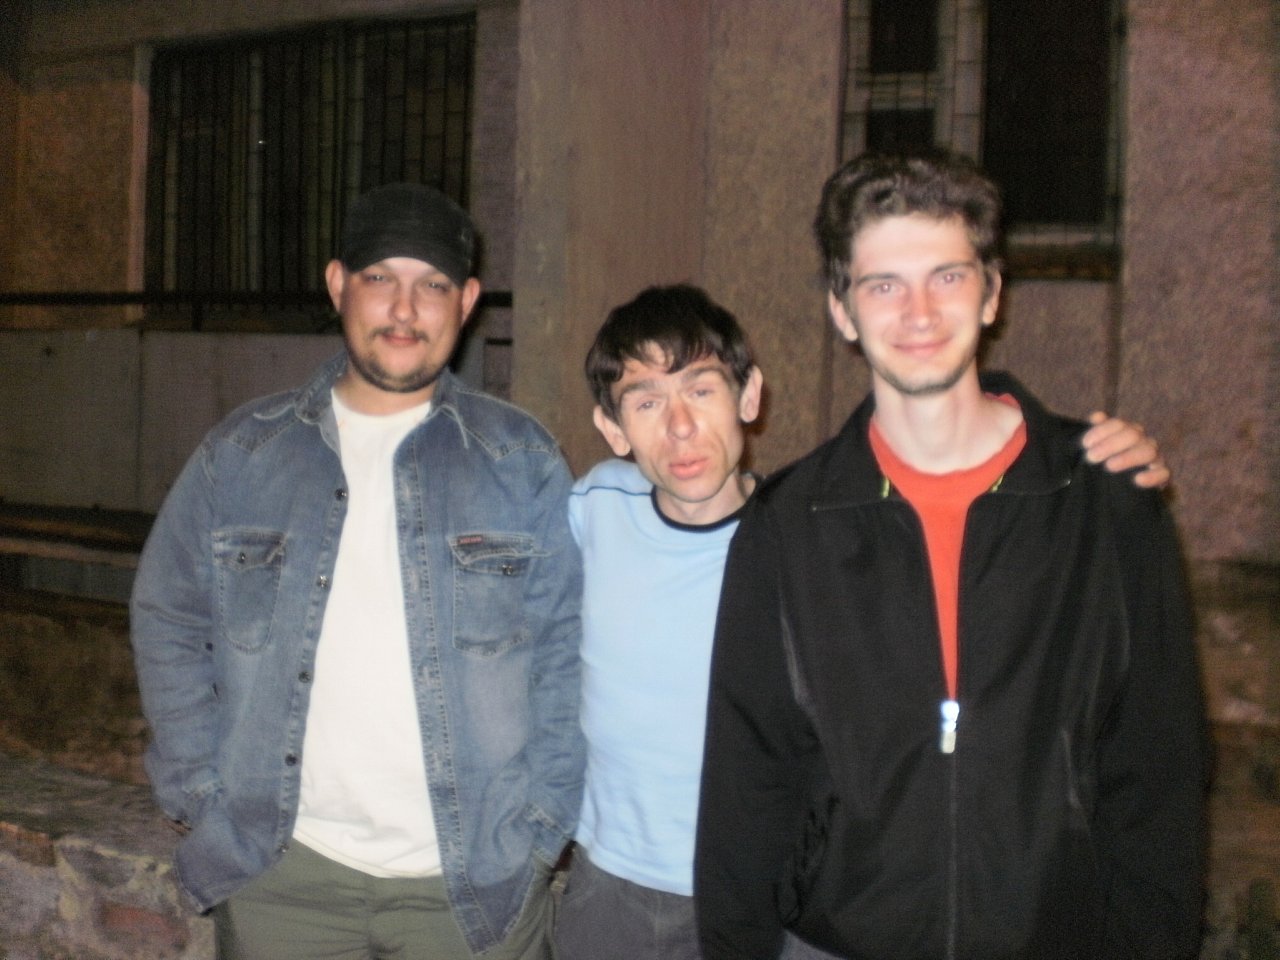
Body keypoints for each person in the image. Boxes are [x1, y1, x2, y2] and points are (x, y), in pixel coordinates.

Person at [553, 279, 1173, 960]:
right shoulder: (593, 507)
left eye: (701, 390)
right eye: (646, 401)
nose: (679, 426)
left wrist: (1103, 454)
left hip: (775, 894)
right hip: (611, 891)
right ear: (612, 429)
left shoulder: (808, 539)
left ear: (749, 396)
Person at [694, 150, 1208, 960]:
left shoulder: (1107, 504)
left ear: (992, 292)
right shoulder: (787, 526)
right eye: (883, 285)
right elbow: (748, 781)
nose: (919, 312)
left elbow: (1159, 768)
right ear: (842, 310)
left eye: (947, 276)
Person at [130, 183, 584, 960]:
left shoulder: (522, 461)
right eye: (381, 278)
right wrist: (200, 795)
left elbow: (569, 652)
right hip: (282, 880)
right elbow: (168, 615)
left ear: (466, 301)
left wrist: (542, 829)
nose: (405, 308)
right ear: (338, 284)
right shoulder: (243, 455)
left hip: (476, 884)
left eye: (432, 284)